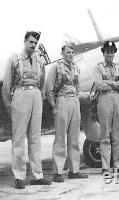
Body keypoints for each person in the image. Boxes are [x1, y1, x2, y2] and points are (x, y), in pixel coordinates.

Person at [2, 31, 51, 189]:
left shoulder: (39, 61)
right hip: (20, 94)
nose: (33, 45)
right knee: (18, 139)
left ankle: (38, 175)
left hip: (36, 95)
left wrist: (40, 96)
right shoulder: (14, 58)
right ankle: (19, 176)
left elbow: (43, 81)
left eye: (35, 43)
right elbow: (7, 84)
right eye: (30, 42)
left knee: (35, 138)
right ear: (25, 41)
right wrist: (9, 104)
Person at [46, 42, 88, 182]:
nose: (70, 55)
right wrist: (53, 106)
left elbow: (76, 85)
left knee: (74, 137)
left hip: (74, 101)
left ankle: (74, 170)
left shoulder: (76, 68)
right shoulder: (56, 68)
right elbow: (49, 89)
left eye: (72, 52)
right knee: (60, 139)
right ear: (62, 53)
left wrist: (78, 97)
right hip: (62, 101)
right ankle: (57, 172)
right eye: (68, 52)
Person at [93, 41, 119, 174]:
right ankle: (105, 166)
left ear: (114, 53)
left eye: (112, 52)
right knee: (105, 135)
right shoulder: (98, 68)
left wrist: (109, 82)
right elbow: (99, 85)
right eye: (107, 52)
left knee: (117, 135)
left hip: (117, 100)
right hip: (104, 100)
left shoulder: (118, 68)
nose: (110, 54)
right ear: (103, 53)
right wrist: (115, 84)